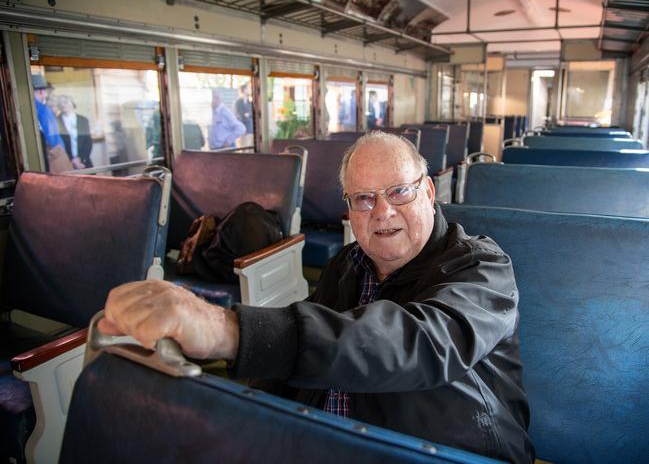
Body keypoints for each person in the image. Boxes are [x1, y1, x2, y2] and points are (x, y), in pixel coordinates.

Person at [100, 132, 534, 463]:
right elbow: (301, 354)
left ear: (429, 192)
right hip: (338, 440)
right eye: (363, 199)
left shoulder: (483, 268)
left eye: (399, 191)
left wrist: (229, 330)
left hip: (445, 448)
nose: (382, 212)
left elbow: (419, 343)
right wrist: (246, 418)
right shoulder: (346, 264)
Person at [57, 95, 93, 169]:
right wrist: (72, 160)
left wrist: (80, 159)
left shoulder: (83, 120)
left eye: (65, 102)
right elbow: (57, 145)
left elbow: (88, 142)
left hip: (84, 161)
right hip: (65, 163)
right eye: (60, 103)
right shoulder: (55, 121)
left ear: (72, 104)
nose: (63, 105)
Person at [32, 74, 64, 151]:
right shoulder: (43, 110)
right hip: (51, 152)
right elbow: (52, 137)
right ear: (41, 91)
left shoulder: (31, 108)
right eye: (47, 90)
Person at [234, 83, 254, 148]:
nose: (249, 90)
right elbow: (238, 115)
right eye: (247, 89)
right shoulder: (238, 102)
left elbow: (252, 113)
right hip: (242, 131)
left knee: (250, 149)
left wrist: (248, 114)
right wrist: (245, 115)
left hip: (250, 130)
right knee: (242, 149)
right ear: (243, 90)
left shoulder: (250, 102)